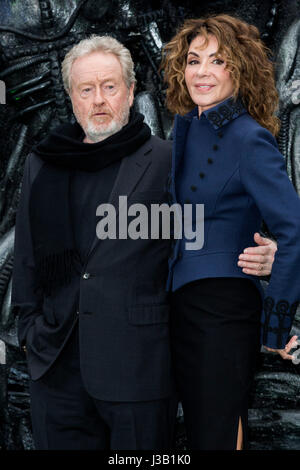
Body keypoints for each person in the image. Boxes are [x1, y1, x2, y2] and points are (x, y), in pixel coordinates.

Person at [11, 34, 276, 451]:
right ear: (72, 98)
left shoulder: (169, 160)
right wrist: (29, 330)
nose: (99, 100)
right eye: (87, 89)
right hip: (56, 370)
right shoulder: (42, 163)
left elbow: (218, 225)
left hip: (138, 370)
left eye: (110, 86)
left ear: (131, 92)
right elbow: (26, 257)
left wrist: (269, 252)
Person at [161, 14, 300, 450]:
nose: (202, 71)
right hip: (181, 308)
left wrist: (275, 328)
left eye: (218, 61)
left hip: (222, 309)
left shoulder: (248, 138)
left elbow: (294, 230)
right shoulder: (187, 127)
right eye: (194, 60)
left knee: (216, 436)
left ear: (239, 69)